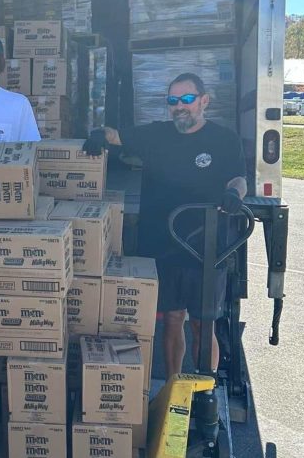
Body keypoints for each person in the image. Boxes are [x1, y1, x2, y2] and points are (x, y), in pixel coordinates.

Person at [84, 72, 247, 378]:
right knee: (172, 319)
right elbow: (115, 135)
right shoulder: (156, 135)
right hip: (164, 244)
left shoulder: (224, 139)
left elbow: (238, 178)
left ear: (204, 101)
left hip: (206, 247)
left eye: (186, 99)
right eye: (173, 101)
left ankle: (204, 389)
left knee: (202, 322)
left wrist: (233, 193)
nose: (179, 106)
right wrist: (97, 136)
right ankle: (172, 385)